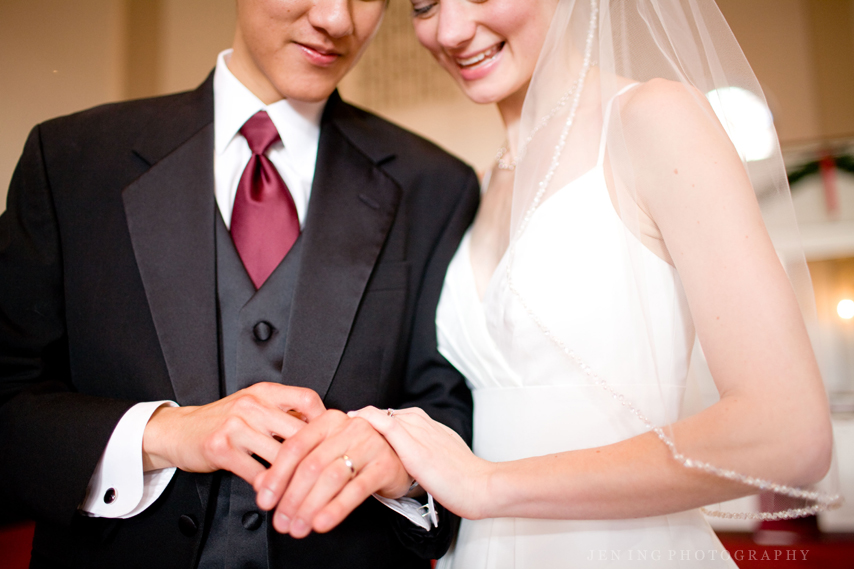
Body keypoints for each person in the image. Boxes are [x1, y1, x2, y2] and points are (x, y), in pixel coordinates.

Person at [260, 1, 842, 567]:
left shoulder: (653, 117)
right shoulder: (482, 184)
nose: (453, 30)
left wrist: (490, 485)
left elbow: (789, 431)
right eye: (425, 5)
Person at [0, 1, 479, 568]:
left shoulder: (436, 188)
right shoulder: (70, 161)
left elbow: (449, 408)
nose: (336, 20)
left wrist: (402, 465)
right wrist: (162, 432)